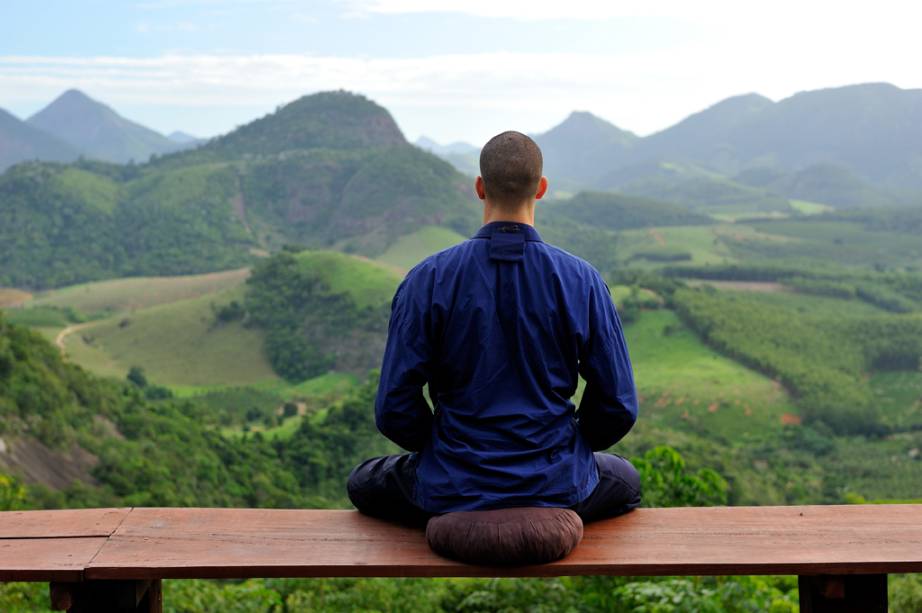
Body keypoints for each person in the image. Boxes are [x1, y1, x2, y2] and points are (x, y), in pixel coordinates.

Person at [347, 131, 640, 526]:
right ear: (542, 189)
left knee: (363, 482)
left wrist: (444, 449)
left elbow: (393, 407)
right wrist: (566, 448)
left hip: (452, 482)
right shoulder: (582, 280)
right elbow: (617, 405)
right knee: (626, 478)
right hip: (555, 481)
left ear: (480, 188)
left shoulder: (427, 278)